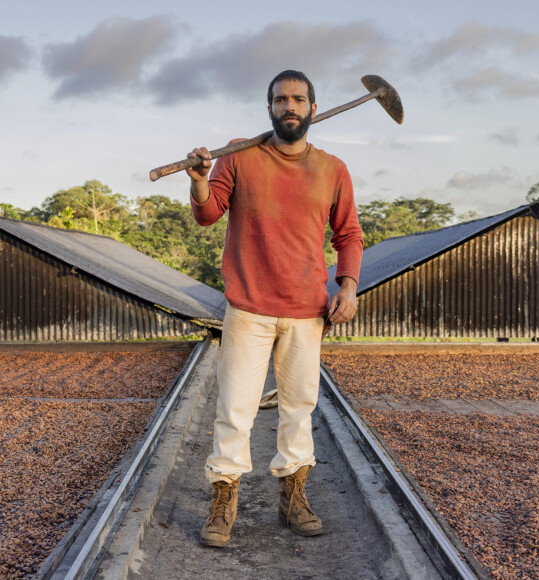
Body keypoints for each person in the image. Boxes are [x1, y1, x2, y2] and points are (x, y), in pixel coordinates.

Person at [187, 70, 363, 548]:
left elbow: (348, 235)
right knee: (235, 409)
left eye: (298, 99)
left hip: (308, 311)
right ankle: (223, 502)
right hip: (249, 308)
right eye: (281, 99)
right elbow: (208, 213)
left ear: (312, 107)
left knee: (299, 408)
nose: (290, 106)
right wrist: (201, 180)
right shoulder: (239, 153)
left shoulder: (332, 168)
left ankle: (293, 497)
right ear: (269, 108)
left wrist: (347, 286)